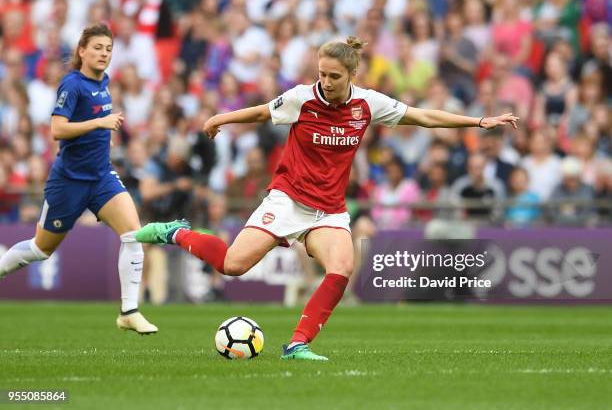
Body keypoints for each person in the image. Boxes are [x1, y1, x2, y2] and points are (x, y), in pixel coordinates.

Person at [136, 37, 518, 360]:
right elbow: (261, 113)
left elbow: (424, 117)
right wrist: (222, 118)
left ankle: (298, 344)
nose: (327, 81)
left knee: (341, 267)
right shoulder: (302, 98)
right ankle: (177, 233)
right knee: (233, 265)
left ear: (352, 75)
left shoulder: (368, 104)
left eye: (335, 76)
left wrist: (479, 122)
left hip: (329, 209)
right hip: (287, 199)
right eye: (322, 73)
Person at [0, 24, 182, 334]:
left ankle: (129, 311)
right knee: (41, 249)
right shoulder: (72, 85)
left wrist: (101, 137)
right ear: (82, 51)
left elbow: (89, 126)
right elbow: (57, 129)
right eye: (97, 48)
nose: (104, 54)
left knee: (133, 233)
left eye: (108, 49)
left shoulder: (104, 82)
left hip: (101, 177)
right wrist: (100, 124)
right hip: (69, 181)